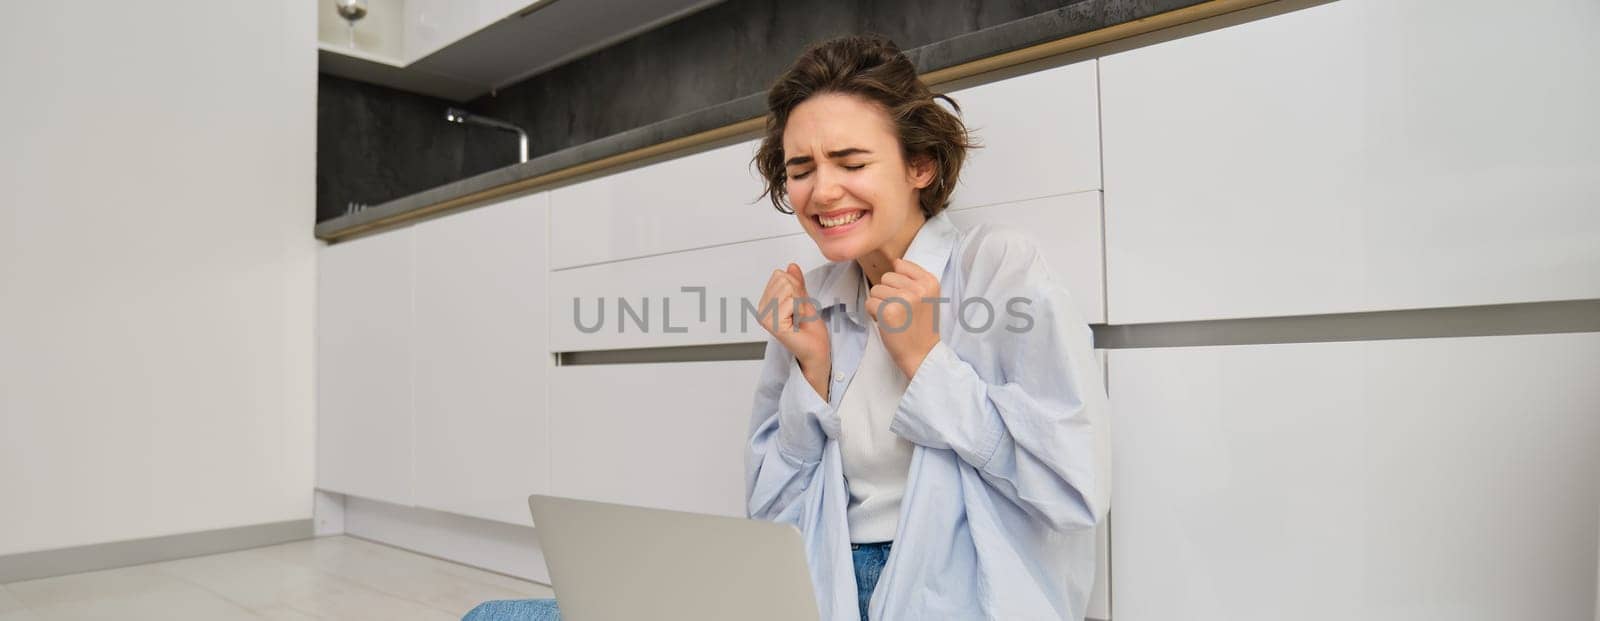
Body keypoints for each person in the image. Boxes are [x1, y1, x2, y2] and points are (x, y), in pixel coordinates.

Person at [464, 33, 1109, 621]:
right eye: (801, 169)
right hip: (816, 593)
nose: (822, 191)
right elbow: (772, 514)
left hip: (958, 601)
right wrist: (814, 374)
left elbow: (1074, 491)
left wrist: (927, 360)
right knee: (493, 619)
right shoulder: (815, 301)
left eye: (851, 163)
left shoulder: (999, 271)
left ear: (921, 166)